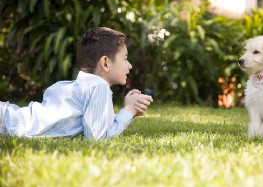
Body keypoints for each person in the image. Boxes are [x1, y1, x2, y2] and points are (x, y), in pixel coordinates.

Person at [0, 27, 153, 140]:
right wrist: (129, 110)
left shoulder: (69, 86)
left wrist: (129, 109)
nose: (130, 65)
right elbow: (97, 138)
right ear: (105, 63)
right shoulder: (98, 87)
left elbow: (99, 123)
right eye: (125, 58)